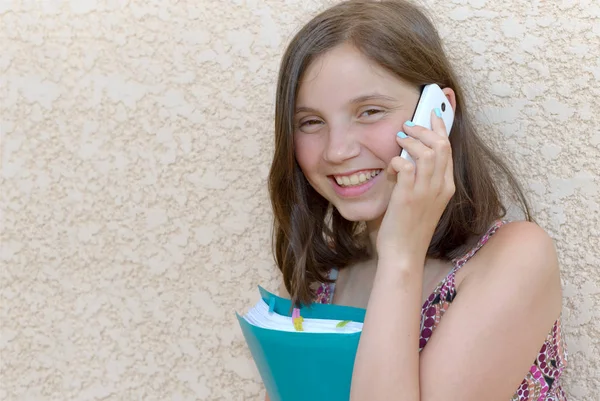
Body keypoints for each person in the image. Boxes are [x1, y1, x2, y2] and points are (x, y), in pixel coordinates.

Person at [264, 1, 567, 400]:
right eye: (311, 122)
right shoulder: (323, 279)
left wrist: (401, 256)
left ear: (437, 113)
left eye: (369, 111)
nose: (336, 151)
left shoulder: (515, 258)